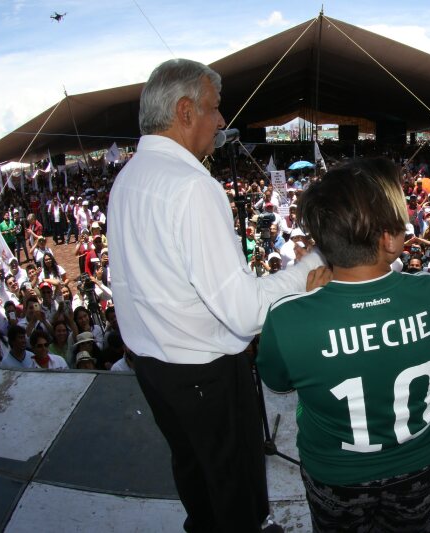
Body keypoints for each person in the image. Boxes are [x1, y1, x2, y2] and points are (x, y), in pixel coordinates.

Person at [107, 58, 330, 533]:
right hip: (203, 374)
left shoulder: (128, 178)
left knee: (194, 473)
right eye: (215, 108)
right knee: (235, 489)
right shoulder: (191, 187)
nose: (222, 121)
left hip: (153, 366)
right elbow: (244, 312)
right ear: (185, 111)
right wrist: (313, 263)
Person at [257, 158, 430, 532]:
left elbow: (278, 382)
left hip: (336, 474)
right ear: (388, 238)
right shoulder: (429, 291)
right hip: (416, 464)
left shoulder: (287, 317)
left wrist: (311, 304)